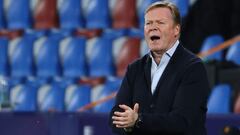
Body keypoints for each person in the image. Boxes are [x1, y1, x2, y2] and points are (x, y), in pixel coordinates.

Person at [109, 1, 210, 135]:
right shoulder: (134, 69)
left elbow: (182, 121)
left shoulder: (193, 68)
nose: (153, 27)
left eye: (160, 22)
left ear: (176, 30)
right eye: (148, 23)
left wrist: (138, 120)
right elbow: (116, 117)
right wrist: (127, 126)